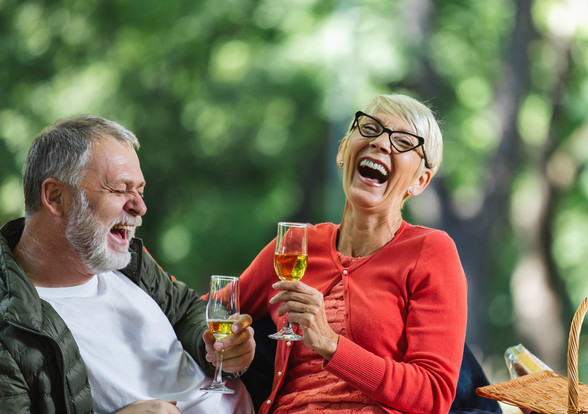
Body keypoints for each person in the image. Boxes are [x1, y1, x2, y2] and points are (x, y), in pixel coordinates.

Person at [0, 115, 256, 413]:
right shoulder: (12, 323)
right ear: (55, 197)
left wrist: (212, 345)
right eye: (120, 190)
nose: (140, 207)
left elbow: (187, 310)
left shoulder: (126, 263)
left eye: (140, 191)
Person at [238, 94, 469, 413]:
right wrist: (221, 339)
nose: (381, 144)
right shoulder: (296, 245)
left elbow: (433, 393)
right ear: (342, 151)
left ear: (420, 181)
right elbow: (207, 311)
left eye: (403, 142)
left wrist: (331, 344)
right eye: (371, 128)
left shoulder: (430, 251)